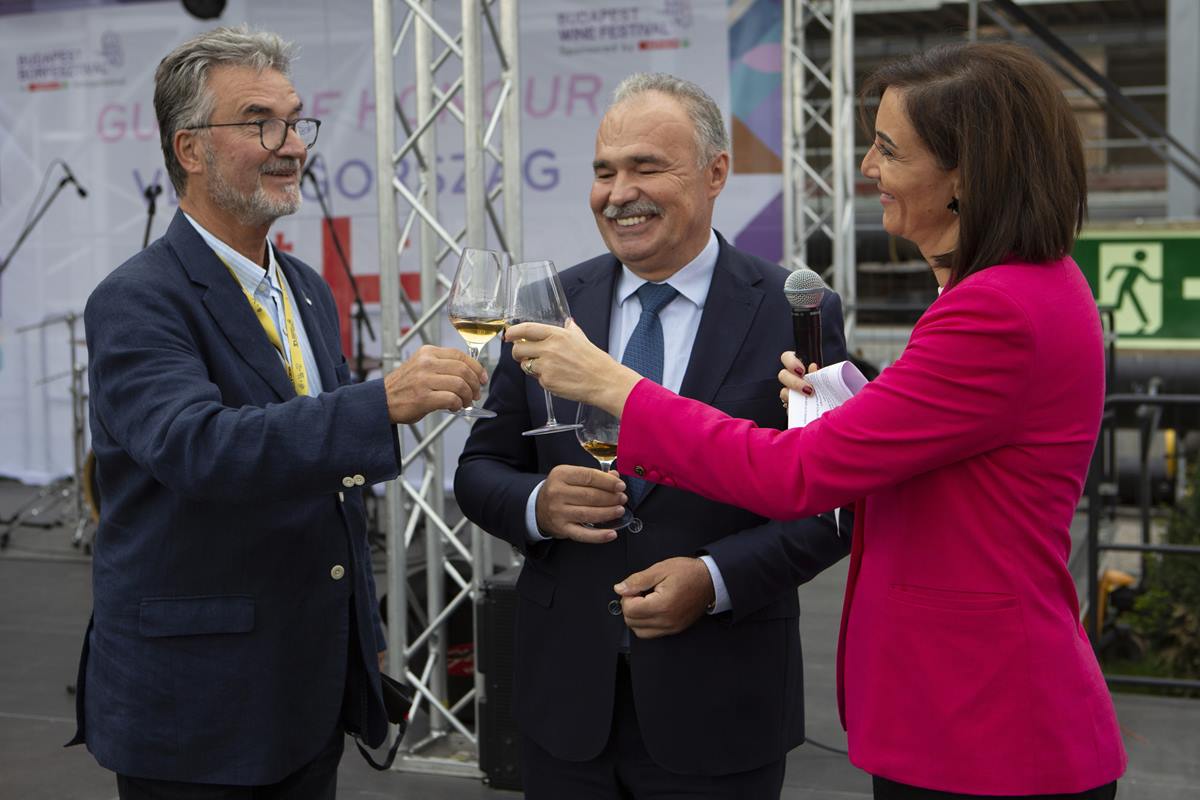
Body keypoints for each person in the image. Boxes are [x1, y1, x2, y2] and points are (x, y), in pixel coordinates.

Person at [506, 42, 1127, 800]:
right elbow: (942, 454)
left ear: (966, 172)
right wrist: (851, 408)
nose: (868, 166)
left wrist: (618, 389)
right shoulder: (1016, 290)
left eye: (889, 149)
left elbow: (797, 475)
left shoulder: (994, 308)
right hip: (968, 717)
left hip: (985, 725)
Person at [68, 26, 487, 799]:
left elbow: (323, 470)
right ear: (190, 149)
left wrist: (360, 632)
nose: (292, 144)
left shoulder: (305, 287)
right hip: (199, 711)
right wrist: (380, 403)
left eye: (296, 121)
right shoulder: (136, 300)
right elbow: (200, 448)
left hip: (305, 691)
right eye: (261, 122)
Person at [455, 73, 849, 799]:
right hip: (566, 707)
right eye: (604, 172)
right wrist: (538, 502)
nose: (618, 192)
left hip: (723, 701)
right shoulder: (549, 303)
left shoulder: (797, 308)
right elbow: (479, 469)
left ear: (715, 172)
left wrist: (715, 580)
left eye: (646, 167)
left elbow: (830, 505)